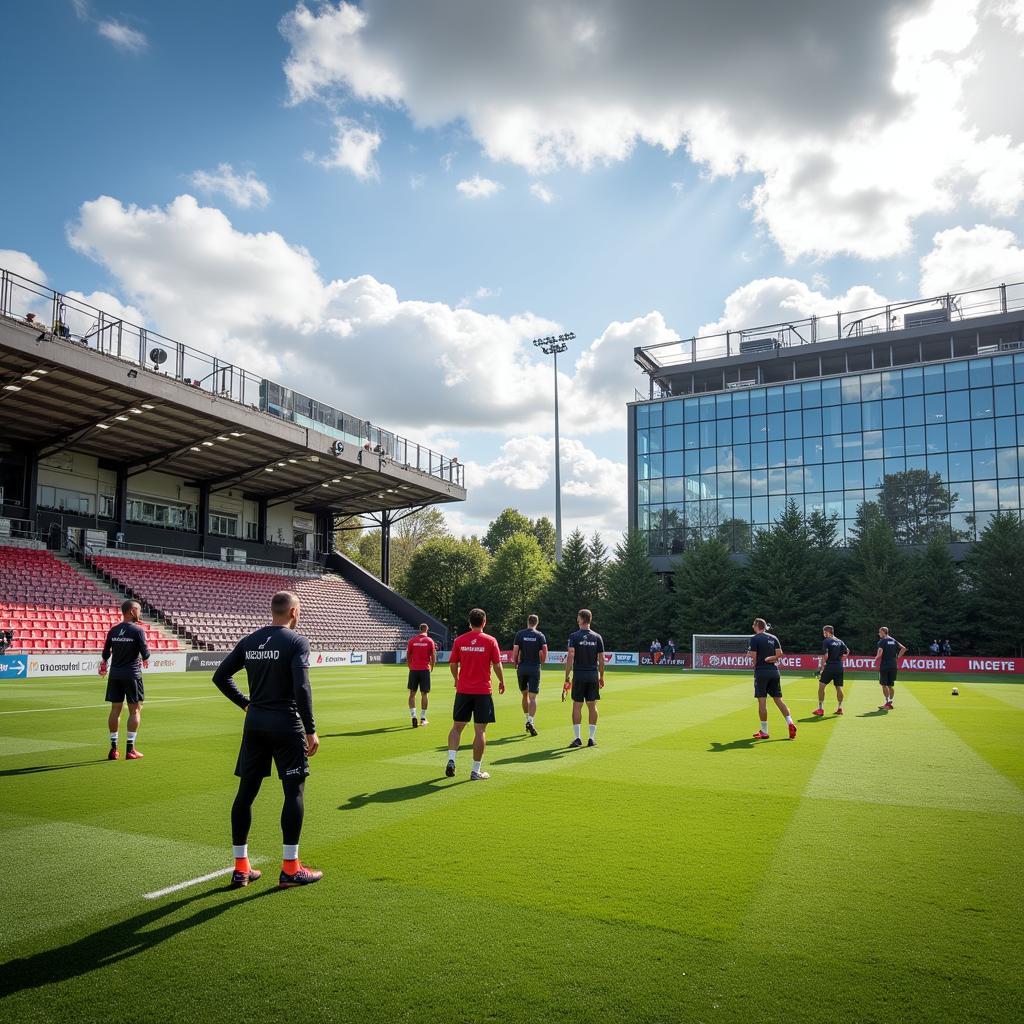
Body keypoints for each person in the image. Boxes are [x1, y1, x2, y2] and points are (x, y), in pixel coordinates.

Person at [213, 591, 322, 889]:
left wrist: (246, 704)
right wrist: (310, 728)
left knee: (245, 793)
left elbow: (220, 676)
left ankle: (241, 868)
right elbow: (302, 687)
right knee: (293, 792)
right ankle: (290, 869)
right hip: (286, 725)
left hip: (255, 724)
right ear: (294, 612)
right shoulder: (296, 641)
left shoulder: (250, 641)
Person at [446, 608, 505, 780]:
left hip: (463, 690)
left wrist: (456, 679)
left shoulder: (459, 640)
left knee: (457, 727)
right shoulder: (490, 641)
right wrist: (502, 680)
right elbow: (497, 664)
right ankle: (475, 770)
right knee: (480, 731)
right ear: (484, 622)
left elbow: (452, 663)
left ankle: (451, 760)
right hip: (482, 691)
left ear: (469, 622)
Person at [99, 600, 150, 760]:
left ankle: (113, 750)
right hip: (132, 674)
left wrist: (104, 665)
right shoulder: (138, 630)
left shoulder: (113, 630)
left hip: (115, 674)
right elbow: (146, 654)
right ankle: (130, 749)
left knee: (115, 709)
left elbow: (105, 653)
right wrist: (145, 653)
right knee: (135, 710)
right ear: (132, 611)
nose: (140, 613)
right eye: (139, 610)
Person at [748, 618, 796, 740]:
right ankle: (790, 723)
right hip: (774, 672)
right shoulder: (774, 638)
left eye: (754, 624)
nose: (753, 626)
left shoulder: (755, 638)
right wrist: (771, 658)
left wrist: (753, 658)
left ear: (757, 625)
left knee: (762, 701)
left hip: (761, 672)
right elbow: (780, 655)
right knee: (778, 700)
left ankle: (764, 731)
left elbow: (753, 657)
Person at [564, 609, 605, 748]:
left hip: (579, 675)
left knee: (577, 705)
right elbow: (601, 659)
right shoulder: (597, 637)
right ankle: (591, 738)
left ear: (580, 619)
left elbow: (570, 656)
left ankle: (577, 738)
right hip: (593, 675)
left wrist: (567, 676)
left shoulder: (574, 636)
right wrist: (602, 676)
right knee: (592, 706)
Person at [512, 613, 548, 736]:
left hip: (522, 668)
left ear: (528, 621)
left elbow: (515, 652)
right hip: (534, 668)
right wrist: (541, 661)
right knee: (532, 697)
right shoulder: (540, 635)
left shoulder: (520, 634)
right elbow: (544, 653)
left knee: (524, 694)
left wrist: (516, 663)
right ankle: (530, 721)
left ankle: (527, 719)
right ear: (537, 623)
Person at [406, 624, 436, 728]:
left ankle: (413, 716)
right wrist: (432, 667)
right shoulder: (429, 641)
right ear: (427, 629)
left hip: (414, 669)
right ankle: (423, 718)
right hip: (424, 670)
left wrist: (410, 666)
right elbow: (433, 656)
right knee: (424, 694)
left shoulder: (412, 640)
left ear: (419, 630)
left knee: (412, 694)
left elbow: (408, 655)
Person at [814, 625, 849, 716]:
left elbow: (825, 655)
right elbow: (847, 651)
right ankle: (840, 708)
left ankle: (821, 709)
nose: (823, 634)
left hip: (830, 667)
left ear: (828, 632)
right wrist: (841, 659)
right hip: (839, 667)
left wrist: (821, 668)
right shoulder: (840, 641)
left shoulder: (826, 641)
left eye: (824, 632)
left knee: (821, 686)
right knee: (839, 687)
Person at [874, 626, 907, 710]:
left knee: (884, 684)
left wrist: (876, 658)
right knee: (890, 685)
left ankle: (887, 703)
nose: (879, 634)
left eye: (880, 632)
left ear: (884, 632)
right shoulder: (893, 640)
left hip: (885, 665)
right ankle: (889, 702)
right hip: (893, 665)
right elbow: (903, 648)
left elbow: (880, 653)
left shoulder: (882, 641)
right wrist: (898, 657)